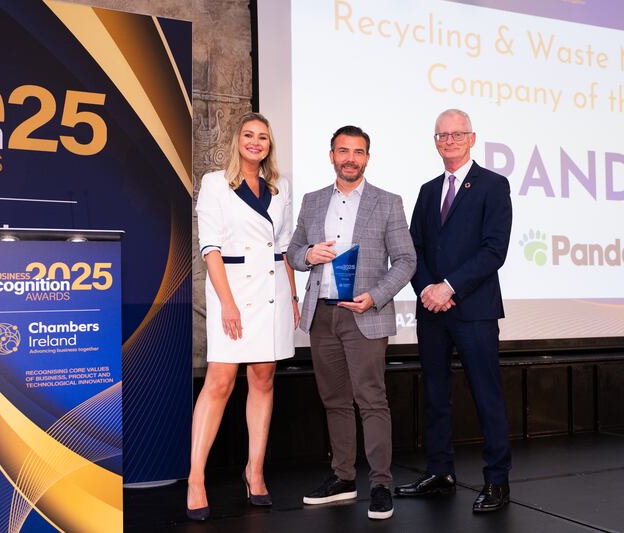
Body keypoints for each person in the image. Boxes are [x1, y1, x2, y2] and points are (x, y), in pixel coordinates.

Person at [287, 125, 415, 520]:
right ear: (331, 156)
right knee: (335, 401)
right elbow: (292, 253)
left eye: (358, 152)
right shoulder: (312, 202)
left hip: (365, 315)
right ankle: (343, 478)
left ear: (367, 158)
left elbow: (407, 261)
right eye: (343, 151)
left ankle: (380, 484)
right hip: (323, 315)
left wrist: (374, 297)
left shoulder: (388, 202)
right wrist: (309, 255)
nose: (350, 158)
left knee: (372, 401)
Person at [395, 109, 513, 512]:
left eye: (456, 134)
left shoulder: (494, 186)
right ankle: (440, 473)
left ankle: (497, 481)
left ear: (472, 138)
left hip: (474, 310)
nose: (449, 140)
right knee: (435, 396)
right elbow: (415, 248)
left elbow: (494, 250)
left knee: (486, 395)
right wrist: (428, 288)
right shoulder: (428, 191)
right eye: (442, 135)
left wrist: (449, 287)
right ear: (434, 142)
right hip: (432, 312)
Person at [187, 112, 300, 520]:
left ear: (270, 145)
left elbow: (284, 246)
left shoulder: (280, 186)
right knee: (219, 380)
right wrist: (228, 303)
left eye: (263, 137)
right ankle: (196, 477)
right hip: (229, 290)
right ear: (237, 140)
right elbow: (210, 248)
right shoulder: (215, 184)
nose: (256, 142)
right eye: (249, 135)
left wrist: (292, 295)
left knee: (264, 375)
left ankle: (254, 471)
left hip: (273, 292)